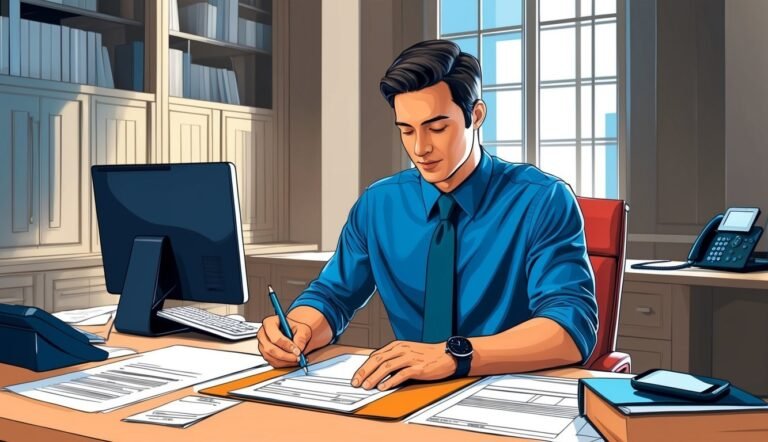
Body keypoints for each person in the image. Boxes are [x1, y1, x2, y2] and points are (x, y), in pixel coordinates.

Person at [256, 39, 598, 391]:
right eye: (406, 130)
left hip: (512, 393)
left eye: (437, 128)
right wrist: (300, 328)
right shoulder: (379, 205)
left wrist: (456, 355)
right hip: (407, 393)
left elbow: (571, 328)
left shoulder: (541, 200)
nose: (420, 148)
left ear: (475, 116)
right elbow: (332, 296)